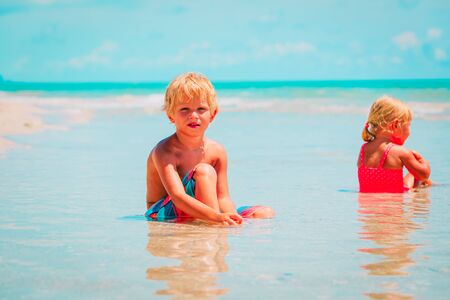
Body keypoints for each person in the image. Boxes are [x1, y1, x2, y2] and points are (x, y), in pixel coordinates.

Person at [145, 72, 274, 225]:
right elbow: (177, 197)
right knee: (204, 171)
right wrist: (216, 217)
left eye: (201, 109)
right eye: (184, 109)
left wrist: (231, 217)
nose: (193, 115)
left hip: (207, 209)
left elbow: (222, 197)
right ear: (171, 115)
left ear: (213, 114)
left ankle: (217, 223)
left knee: (264, 212)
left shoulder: (217, 151)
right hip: (162, 212)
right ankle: (213, 227)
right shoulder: (165, 151)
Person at [358, 96, 431, 193]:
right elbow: (423, 175)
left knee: (411, 176)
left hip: (367, 205)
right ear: (395, 125)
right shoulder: (400, 152)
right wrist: (424, 163)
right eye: (408, 125)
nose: (409, 131)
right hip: (393, 204)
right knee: (417, 177)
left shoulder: (364, 149)